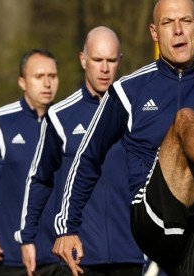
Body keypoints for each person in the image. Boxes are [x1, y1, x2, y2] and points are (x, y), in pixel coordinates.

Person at [52, 0, 194, 275]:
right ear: (154, 33)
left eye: (186, 21)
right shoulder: (127, 91)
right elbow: (87, 156)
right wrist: (67, 227)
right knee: (184, 121)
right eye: (168, 23)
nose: (178, 31)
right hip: (152, 217)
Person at [14, 26, 145, 276]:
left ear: (120, 61)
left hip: (129, 253)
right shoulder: (60, 116)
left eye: (110, 61)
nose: (104, 69)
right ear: (83, 60)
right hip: (78, 256)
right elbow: (40, 179)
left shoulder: (136, 115)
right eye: (97, 60)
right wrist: (27, 237)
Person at [0, 49, 60, 275]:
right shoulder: (0, 122)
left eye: (52, 76)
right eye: (39, 76)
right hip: (9, 259)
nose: (47, 83)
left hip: (58, 260)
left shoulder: (66, 122)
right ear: (22, 82)